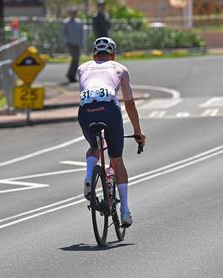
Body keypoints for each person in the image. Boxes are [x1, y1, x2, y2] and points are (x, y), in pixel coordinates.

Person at [77, 37, 146, 227]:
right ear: (113, 56)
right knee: (116, 159)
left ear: (94, 55)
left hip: (86, 110)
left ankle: (89, 174)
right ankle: (124, 211)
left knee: (94, 147)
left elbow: (85, 89)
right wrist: (138, 131)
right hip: (109, 109)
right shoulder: (120, 69)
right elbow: (130, 105)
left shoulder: (82, 68)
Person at [63, 7, 84, 83]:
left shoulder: (79, 22)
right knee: (74, 59)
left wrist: (82, 43)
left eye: (75, 13)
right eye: (73, 13)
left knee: (76, 59)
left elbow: (81, 33)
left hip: (77, 43)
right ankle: (70, 74)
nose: (74, 14)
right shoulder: (66, 22)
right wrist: (64, 44)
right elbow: (64, 34)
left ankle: (71, 75)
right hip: (70, 43)